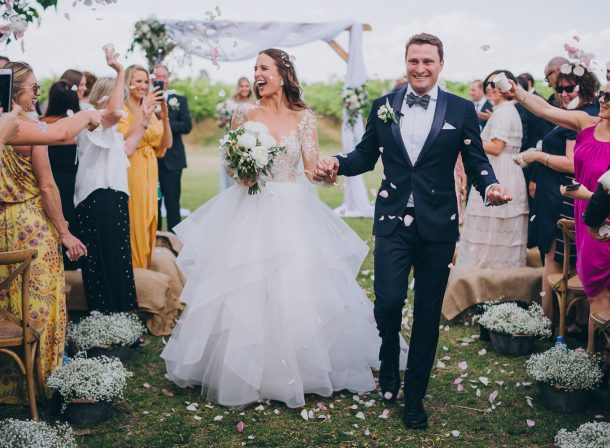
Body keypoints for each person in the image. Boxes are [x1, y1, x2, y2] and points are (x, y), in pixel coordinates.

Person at [161, 48, 405, 409]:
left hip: (294, 208)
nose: (257, 74)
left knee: (297, 287)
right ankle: (244, 371)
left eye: (263, 68)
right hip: (250, 208)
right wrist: (242, 171)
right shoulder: (242, 113)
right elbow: (232, 168)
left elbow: (309, 168)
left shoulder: (304, 117)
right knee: (246, 287)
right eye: (254, 68)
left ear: (282, 73)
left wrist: (325, 174)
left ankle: (300, 369)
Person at [314, 33, 511, 428]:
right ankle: (388, 357)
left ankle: (415, 397)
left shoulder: (460, 108)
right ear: (405, 63)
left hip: (438, 226)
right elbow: (365, 156)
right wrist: (337, 161)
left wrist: (489, 187)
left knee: (425, 315)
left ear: (441, 65)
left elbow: (476, 161)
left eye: (427, 61)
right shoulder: (383, 106)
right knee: (386, 302)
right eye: (413, 61)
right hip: (391, 222)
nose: (420, 68)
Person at [0, 61, 101, 401]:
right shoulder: (25, 127)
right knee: (41, 300)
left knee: (8, 301)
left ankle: (10, 384)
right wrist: (64, 232)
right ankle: (45, 378)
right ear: (16, 93)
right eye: (33, 88)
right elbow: (47, 186)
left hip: (2, 227)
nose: (38, 94)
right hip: (31, 225)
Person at [510, 79, 610, 354]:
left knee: (601, 290)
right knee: (594, 289)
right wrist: (516, 91)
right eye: (603, 93)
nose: (602, 99)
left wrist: (588, 196)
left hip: (603, 221)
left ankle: (593, 359)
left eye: (609, 96)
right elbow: (543, 110)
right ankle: (594, 356)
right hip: (583, 214)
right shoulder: (587, 123)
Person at [74, 48, 151, 313]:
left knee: (119, 261)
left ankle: (122, 320)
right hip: (98, 199)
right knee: (104, 264)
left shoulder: (110, 133)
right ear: (106, 96)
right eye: (122, 94)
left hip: (114, 198)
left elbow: (127, 148)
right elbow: (116, 112)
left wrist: (145, 119)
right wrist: (120, 71)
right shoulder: (92, 123)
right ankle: (106, 320)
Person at [457, 70, 528, 268]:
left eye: (494, 84)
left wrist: (468, 138)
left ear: (507, 87)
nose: (489, 88)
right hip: (504, 170)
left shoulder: (504, 111)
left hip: (500, 172)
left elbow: (497, 147)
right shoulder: (502, 111)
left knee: (495, 231)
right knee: (490, 229)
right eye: (488, 84)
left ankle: (490, 278)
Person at [118, 65, 172, 269]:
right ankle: (135, 271)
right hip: (132, 169)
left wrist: (165, 117)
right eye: (138, 81)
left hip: (151, 169)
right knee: (136, 221)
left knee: (151, 219)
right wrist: (144, 111)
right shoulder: (122, 110)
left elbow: (166, 144)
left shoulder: (152, 111)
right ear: (128, 82)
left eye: (145, 82)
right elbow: (126, 137)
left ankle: (145, 269)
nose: (142, 86)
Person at [40, 80, 81, 270]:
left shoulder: (40, 125)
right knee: (71, 219)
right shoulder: (75, 127)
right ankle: (74, 261)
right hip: (73, 183)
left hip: (48, 180)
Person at [153, 64, 192, 232]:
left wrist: (164, 121)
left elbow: (186, 126)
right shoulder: (144, 101)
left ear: (168, 79)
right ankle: (153, 242)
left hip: (173, 160)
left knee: (172, 204)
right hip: (151, 160)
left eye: (164, 76)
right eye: (157, 77)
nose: (161, 80)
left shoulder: (179, 101)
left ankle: (173, 244)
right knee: (152, 205)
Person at [217, 77, 254, 192]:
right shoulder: (229, 103)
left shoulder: (254, 103)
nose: (244, 88)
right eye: (242, 86)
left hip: (249, 142)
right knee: (231, 169)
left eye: (247, 86)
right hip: (233, 142)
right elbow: (219, 123)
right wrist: (226, 120)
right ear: (238, 88)